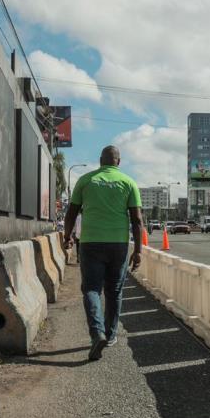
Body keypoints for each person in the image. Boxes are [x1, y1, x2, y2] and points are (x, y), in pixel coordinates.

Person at [63, 145, 143, 361]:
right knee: (114, 290)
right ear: (118, 161)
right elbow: (137, 220)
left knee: (91, 289)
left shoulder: (86, 180)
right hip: (118, 244)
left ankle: (96, 332)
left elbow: (71, 213)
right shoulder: (129, 183)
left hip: (90, 243)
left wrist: (67, 236)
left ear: (100, 161)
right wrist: (138, 251)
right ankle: (110, 334)